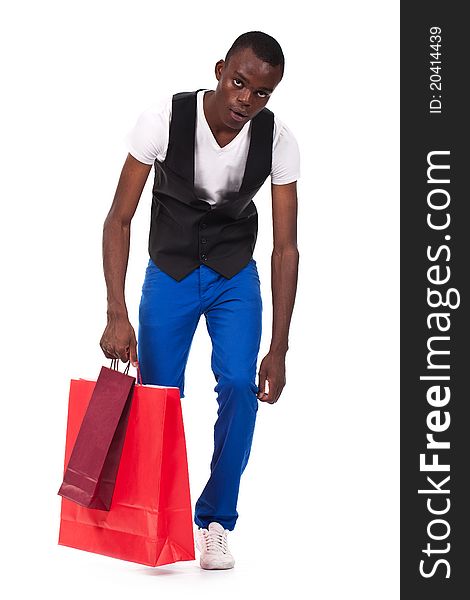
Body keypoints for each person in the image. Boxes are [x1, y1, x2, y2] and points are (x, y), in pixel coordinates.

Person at [99, 30, 300, 570]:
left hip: (235, 275)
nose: (246, 101)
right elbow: (118, 219)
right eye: (239, 83)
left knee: (239, 384)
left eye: (261, 93)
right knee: (158, 396)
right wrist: (116, 312)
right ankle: (158, 521)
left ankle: (215, 521)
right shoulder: (162, 119)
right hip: (171, 270)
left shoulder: (278, 141)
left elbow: (286, 248)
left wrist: (279, 347)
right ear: (219, 70)